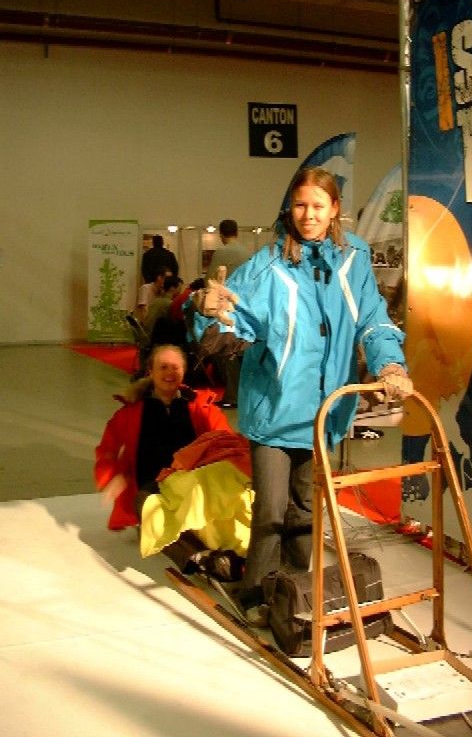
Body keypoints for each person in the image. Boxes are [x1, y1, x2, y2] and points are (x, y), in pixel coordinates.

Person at [188, 166, 412, 625]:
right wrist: (205, 312)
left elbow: (373, 320)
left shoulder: (354, 260)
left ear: (334, 210)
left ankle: (293, 592)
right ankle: (256, 594)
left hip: (325, 412)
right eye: (300, 205)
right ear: (289, 209)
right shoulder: (267, 266)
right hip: (275, 408)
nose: (308, 215)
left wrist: (390, 364)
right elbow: (232, 319)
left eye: (318, 206)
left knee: (307, 506)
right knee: (271, 508)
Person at [94, 344, 234, 569]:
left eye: (175, 367)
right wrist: (113, 477)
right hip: (150, 491)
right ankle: (200, 559)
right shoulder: (130, 413)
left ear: (184, 372)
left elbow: (227, 442)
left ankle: (222, 555)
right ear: (150, 371)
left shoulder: (201, 408)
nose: (170, 373)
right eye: (163, 367)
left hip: (189, 488)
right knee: (160, 521)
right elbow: (107, 450)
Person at [207, 220, 252, 408]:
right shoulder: (247, 253)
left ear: (221, 234)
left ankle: (232, 395)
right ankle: (244, 393)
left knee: (228, 351)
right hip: (245, 307)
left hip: (226, 309)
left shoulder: (220, 253)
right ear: (237, 232)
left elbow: (211, 281)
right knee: (243, 350)